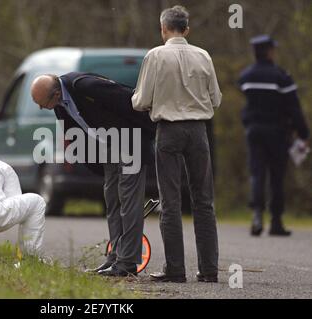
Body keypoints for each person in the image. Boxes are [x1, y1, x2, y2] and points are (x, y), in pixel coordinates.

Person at [31, 72, 155, 277]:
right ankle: (115, 257)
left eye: (42, 103)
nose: (41, 108)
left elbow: (128, 99)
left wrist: (148, 132)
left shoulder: (85, 86)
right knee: (113, 201)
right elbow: (74, 133)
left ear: (55, 94)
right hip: (109, 149)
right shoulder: (59, 103)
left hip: (130, 143)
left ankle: (128, 262)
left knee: (129, 201)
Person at [132, 6, 222, 283]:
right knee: (203, 201)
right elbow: (216, 100)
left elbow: (140, 101)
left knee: (170, 202)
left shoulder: (155, 56)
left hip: (168, 132)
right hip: (198, 132)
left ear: (163, 29)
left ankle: (175, 269)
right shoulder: (203, 56)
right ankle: (208, 270)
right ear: (187, 29)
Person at [238, 35, 310, 237]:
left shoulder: (246, 77)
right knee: (276, 176)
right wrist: (303, 133)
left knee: (256, 173)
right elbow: (294, 108)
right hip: (277, 133)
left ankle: (257, 216)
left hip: (254, 131)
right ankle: (276, 221)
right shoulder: (281, 76)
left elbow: (246, 103)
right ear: (269, 52)